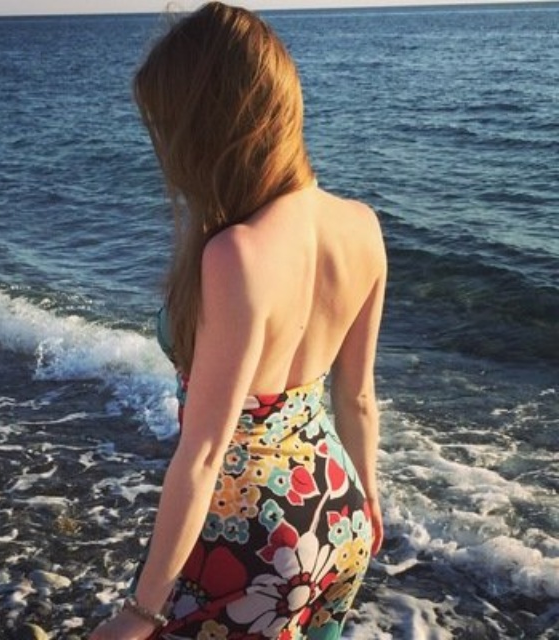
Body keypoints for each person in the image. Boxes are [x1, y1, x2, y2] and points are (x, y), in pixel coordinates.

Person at [90, 2, 386, 638]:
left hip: (250, 532)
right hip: (341, 508)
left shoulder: (236, 254)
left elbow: (203, 455)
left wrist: (140, 613)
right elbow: (357, 397)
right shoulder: (362, 225)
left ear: (204, 129)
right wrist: (367, 498)